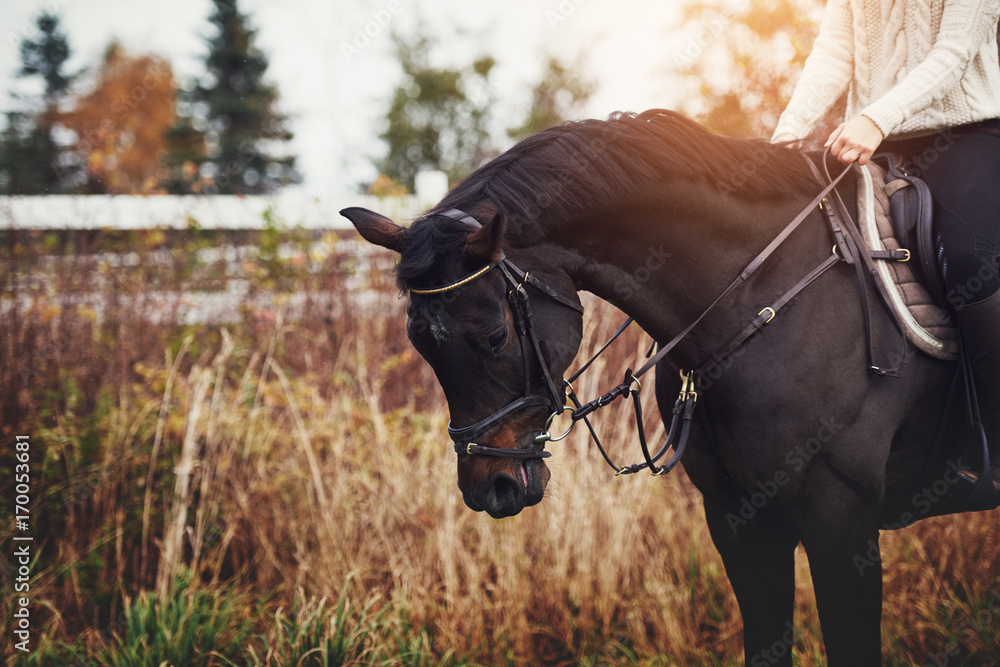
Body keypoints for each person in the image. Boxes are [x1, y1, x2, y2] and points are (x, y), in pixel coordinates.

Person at [771, 0, 1000, 493]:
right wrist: (786, 136)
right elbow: (833, 54)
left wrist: (876, 117)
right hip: (872, 141)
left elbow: (955, 52)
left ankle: (994, 448)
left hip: (966, 134)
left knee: (966, 258)